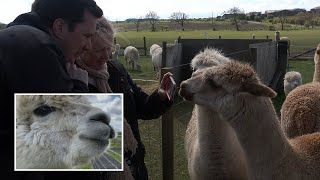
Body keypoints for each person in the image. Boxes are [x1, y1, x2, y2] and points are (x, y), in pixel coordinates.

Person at [0, 0, 103, 179]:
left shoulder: (15, 38)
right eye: (86, 36)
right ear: (60, 27)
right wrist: (79, 86)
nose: (88, 46)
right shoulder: (37, 47)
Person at [76, 17, 174, 180]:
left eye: (109, 48)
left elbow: (141, 107)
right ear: (82, 47)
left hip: (134, 166)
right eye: (99, 50)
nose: (106, 56)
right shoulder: (71, 81)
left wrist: (160, 96)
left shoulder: (116, 70)